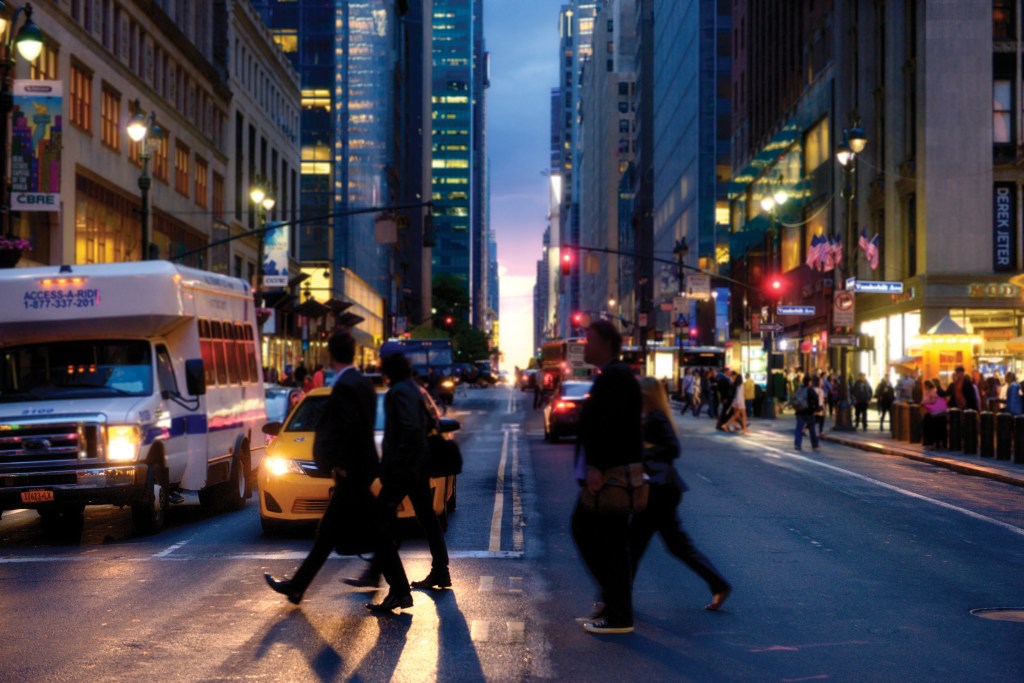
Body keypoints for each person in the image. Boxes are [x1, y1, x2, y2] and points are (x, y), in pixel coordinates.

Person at [264, 332, 412, 613]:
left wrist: (341, 465)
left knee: (378, 534)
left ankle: (401, 591)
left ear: (329, 355)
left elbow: (347, 429)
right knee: (327, 534)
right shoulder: (363, 383)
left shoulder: (346, 386)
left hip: (351, 472)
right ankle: (296, 588)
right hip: (358, 469)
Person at [346, 342, 452, 593]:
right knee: (427, 517)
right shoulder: (413, 388)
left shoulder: (399, 392)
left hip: (404, 469)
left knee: (381, 519)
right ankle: (441, 570)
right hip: (417, 466)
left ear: (388, 365)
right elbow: (426, 424)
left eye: (382, 362)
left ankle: (381, 577)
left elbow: (411, 429)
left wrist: (393, 463)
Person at [629, 377, 731, 611]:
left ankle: (615, 600)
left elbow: (673, 448)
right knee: (675, 545)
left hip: (658, 491)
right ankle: (719, 584)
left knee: (632, 546)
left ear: (646, 396)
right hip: (662, 490)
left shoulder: (656, 418)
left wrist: (645, 451)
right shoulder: (650, 417)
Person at [573, 320, 642, 635]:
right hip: (608, 472)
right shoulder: (613, 375)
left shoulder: (615, 377)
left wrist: (597, 466)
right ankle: (613, 604)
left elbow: (612, 428)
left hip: (610, 475)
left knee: (599, 537)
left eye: (589, 340)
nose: (584, 345)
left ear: (605, 343)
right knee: (607, 541)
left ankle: (618, 613)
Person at [792, 375, 820, 451]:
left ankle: (798, 444)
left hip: (800, 411)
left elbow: (794, 398)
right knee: (812, 429)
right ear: (809, 382)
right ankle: (815, 445)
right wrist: (816, 408)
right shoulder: (810, 390)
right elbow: (816, 399)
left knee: (799, 428)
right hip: (809, 411)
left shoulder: (799, 389)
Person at [920, 380, 949, 449]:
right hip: (931, 414)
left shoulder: (932, 392)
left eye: (924, 385)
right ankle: (933, 443)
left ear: (927, 385)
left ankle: (931, 443)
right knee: (930, 428)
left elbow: (933, 401)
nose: (924, 387)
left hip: (932, 414)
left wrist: (925, 403)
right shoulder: (929, 392)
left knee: (930, 428)